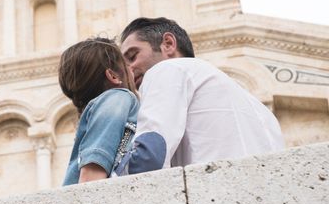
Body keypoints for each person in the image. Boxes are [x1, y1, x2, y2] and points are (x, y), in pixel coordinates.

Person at [115, 17, 284, 174]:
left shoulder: (167, 70)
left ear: (168, 44)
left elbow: (149, 157)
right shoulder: (259, 108)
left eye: (132, 56)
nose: (128, 72)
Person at [58, 37, 139, 185]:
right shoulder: (118, 98)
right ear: (113, 76)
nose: (132, 68)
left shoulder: (97, 111)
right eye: (127, 64)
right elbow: (91, 177)